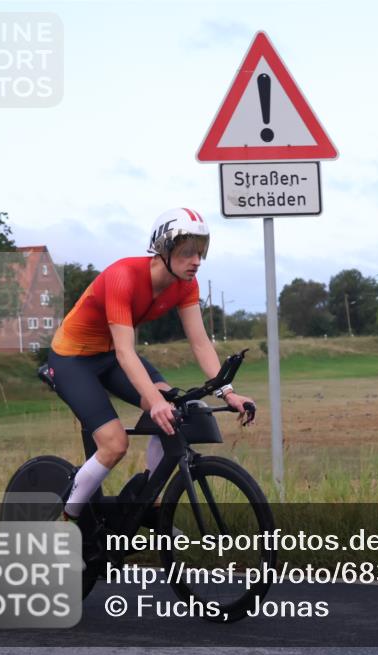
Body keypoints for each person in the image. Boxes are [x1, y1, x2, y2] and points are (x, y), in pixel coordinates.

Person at [47, 207, 255, 525]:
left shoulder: (186, 285)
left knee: (175, 412)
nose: (196, 261)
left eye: (200, 252)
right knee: (115, 443)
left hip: (110, 356)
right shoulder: (123, 276)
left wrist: (228, 392)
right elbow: (126, 351)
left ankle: (146, 505)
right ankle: (63, 522)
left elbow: (200, 343)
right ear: (163, 249)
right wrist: (154, 400)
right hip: (73, 359)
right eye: (187, 252)